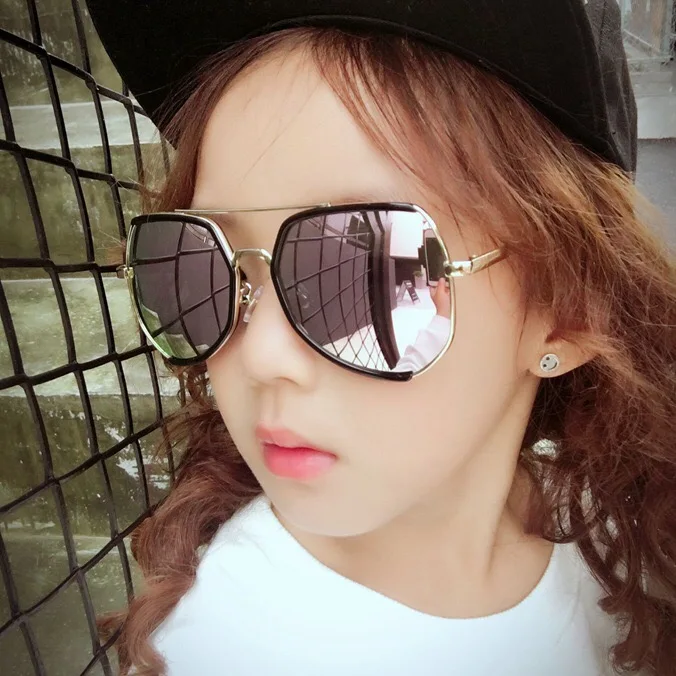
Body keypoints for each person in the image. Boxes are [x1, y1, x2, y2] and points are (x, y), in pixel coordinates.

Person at [87, 1, 676, 675]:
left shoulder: (613, 532)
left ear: (567, 310)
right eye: (200, 265)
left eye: (363, 269)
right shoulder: (218, 651)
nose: (262, 354)